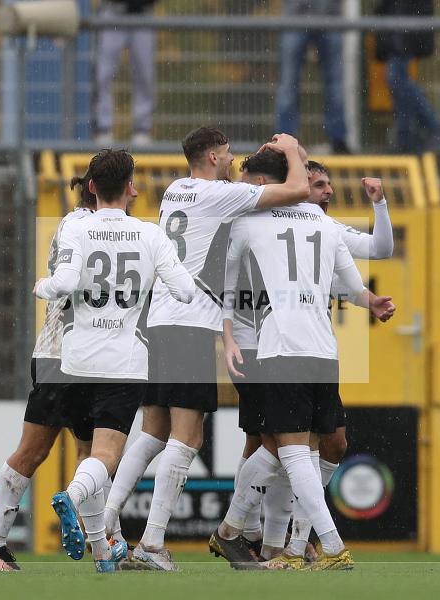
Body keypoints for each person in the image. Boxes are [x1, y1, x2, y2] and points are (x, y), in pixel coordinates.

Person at [102, 127, 311, 572]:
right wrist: (293, 151)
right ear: (214, 156)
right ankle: (153, 544)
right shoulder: (219, 195)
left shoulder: (177, 190)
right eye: (228, 153)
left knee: (154, 431)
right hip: (188, 322)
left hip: (157, 318)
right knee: (188, 436)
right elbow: (297, 189)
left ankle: (103, 523)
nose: (233, 158)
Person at [210, 149, 394, 571]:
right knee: (290, 450)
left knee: (287, 451)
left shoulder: (249, 221)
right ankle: (298, 546)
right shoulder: (321, 225)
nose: (325, 192)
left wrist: (225, 336)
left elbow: (227, 284)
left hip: (287, 345)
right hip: (309, 349)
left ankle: (295, 542)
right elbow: (352, 283)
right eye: (316, 183)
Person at [34, 149, 195, 573]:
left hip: (75, 361)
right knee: (104, 459)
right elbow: (184, 291)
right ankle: (71, 495)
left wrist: (42, 286)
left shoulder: (78, 228)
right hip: (122, 362)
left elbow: (65, 282)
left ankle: (104, 552)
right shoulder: (150, 234)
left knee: (89, 454)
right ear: (130, 188)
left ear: (90, 187)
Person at [0, 175, 99, 572]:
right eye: (126, 185)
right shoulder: (76, 225)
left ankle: (101, 542)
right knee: (34, 450)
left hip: (94, 356)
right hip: (59, 354)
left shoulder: (106, 227)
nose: (133, 194)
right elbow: (70, 283)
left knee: (93, 451)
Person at [275, 0, 350, 154]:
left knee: (334, 84)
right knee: (288, 84)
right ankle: (284, 141)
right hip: (296, 18)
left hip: (328, 18)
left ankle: (338, 140)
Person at [376, 0, 440, 153]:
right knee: (400, 84)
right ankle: (406, 138)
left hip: (404, 32)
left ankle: (430, 128)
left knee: (399, 81)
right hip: (400, 32)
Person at [93, 0, 157, 146]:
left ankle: (142, 129)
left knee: (144, 75)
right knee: (103, 74)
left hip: (143, 13)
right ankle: (103, 128)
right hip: (113, 11)